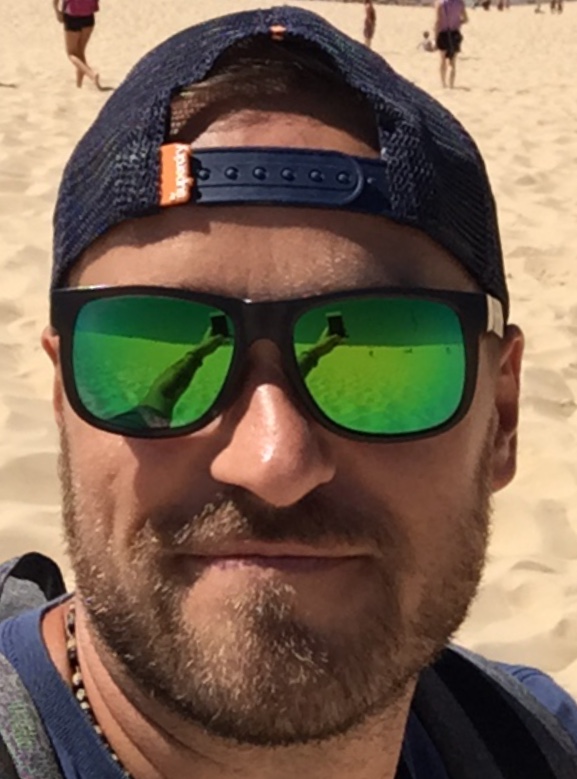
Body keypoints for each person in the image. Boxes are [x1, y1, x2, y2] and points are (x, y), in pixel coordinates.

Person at [0, 7, 576, 779]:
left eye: (379, 353)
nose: (272, 461)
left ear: (501, 418)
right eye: (153, 346)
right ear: (63, 400)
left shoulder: (537, 745)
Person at [53, 0, 101, 89]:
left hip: (72, 16)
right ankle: (79, 85)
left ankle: (92, 74)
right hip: (88, 16)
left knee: (71, 54)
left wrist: (56, 10)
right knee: (80, 52)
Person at [435, 0, 468, 88]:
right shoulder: (460, 3)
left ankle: (443, 83)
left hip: (443, 33)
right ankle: (451, 84)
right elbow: (466, 19)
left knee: (442, 60)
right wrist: (458, 22)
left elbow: (438, 22)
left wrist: (435, 37)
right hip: (455, 34)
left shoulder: (441, 4)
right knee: (453, 62)